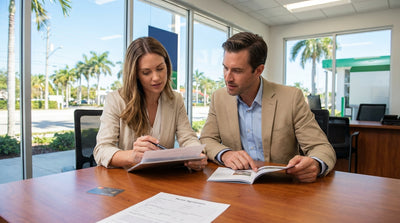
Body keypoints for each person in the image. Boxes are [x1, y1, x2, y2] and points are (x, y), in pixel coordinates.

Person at [200, 32, 336, 182]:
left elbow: (322, 147)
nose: (227, 78)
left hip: (280, 186)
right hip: (235, 184)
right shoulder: (219, 98)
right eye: (225, 68)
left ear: (258, 70)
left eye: (237, 71)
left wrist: (315, 163)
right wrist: (225, 154)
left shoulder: (291, 98)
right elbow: (206, 139)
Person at [94, 36, 207, 171]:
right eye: (146, 72)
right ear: (135, 74)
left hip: (163, 178)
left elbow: (188, 137)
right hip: (128, 180)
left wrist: (195, 154)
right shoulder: (116, 100)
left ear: (167, 66)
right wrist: (132, 156)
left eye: (160, 68)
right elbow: (101, 150)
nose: (156, 77)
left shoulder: (175, 100)